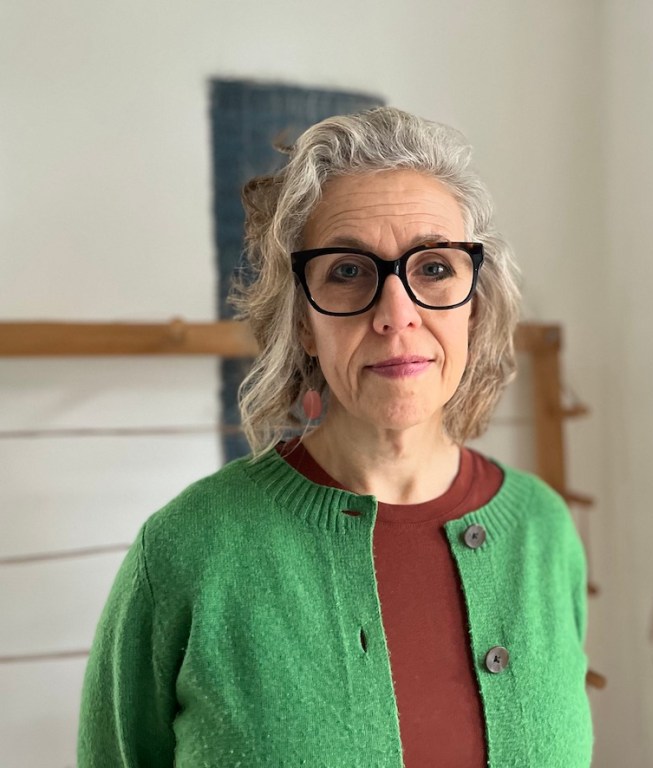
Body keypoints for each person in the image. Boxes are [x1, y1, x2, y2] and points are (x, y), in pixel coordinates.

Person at [78, 107, 593, 767]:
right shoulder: (188, 551)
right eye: (348, 271)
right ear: (299, 321)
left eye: (434, 268)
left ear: (477, 301)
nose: (396, 315)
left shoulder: (543, 532)